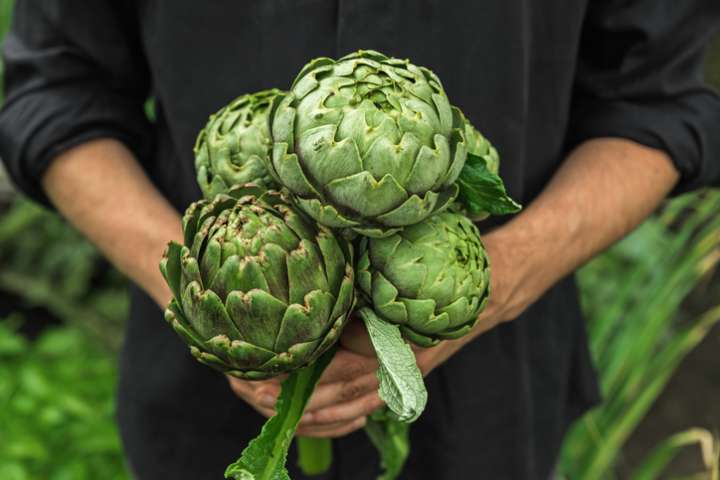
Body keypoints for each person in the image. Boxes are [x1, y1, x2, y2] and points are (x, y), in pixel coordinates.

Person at [1, 1, 719, 478]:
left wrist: (498, 278)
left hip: (491, 412)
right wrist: (216, 297)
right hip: (196, 411)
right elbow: (55, 90)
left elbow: (654, 103)